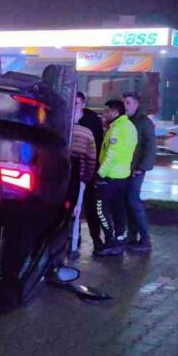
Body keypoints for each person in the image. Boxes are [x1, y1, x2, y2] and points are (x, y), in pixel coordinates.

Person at [92, 99, 137, 257]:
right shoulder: (130, 126)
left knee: (100, 209)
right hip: (123, 176)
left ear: (115, 112)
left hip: (110, 176)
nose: (104, 114)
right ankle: (119, 238)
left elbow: (112, 155)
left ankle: (110, 240)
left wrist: (100, 174)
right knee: (119, 209)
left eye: (106, 111)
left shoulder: (117, 129)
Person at [123, 92, 156, 252]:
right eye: (124, 102)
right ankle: (132, 236)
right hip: (126, 169)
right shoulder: (126, 121)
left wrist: (141, 167)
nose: (125, 106)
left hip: (136, 169)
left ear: (136, 104)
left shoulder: (144, 122)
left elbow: (150, 147)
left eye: (128, 103)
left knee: (133, 202)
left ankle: (145, 239)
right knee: (129, 203)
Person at [68, 92, 98, 255]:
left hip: (75, 178)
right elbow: (91, 158)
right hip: (73, 178)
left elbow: (91, 158)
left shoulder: (84, 130)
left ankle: (72, 244)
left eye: (77, 103)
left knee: (74, 211)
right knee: (75, 211)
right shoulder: (86, 132)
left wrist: (85, 179)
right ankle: (72, 245)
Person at [75, 93, 105, 247]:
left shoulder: (91, 120)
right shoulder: (67, 119)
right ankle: (75, 237)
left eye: (77, 103)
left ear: (83, 103)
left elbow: (97, 146)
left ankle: (96, 239)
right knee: (73, 207)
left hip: (88, 170)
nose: (74, 106)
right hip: (72, 172)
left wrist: (94, 170)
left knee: (91, 205)